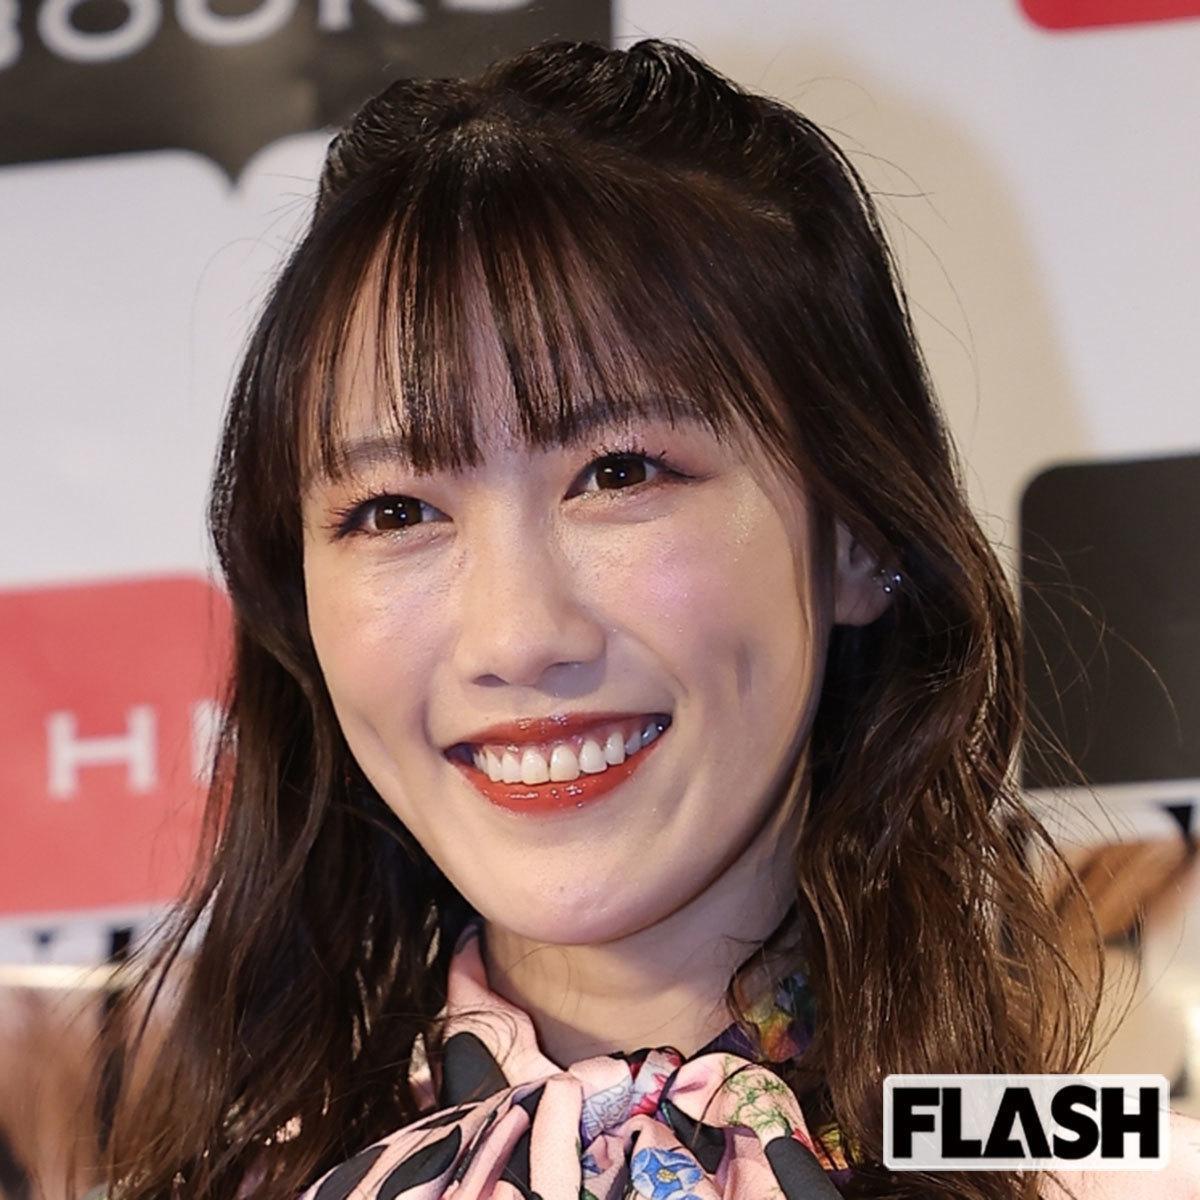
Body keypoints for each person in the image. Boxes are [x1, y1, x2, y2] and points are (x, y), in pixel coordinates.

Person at [96, 38, 1199, 1200]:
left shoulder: (1112, 1170)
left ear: (859, 535)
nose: (516, 637)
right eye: (396, 509)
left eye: (620, 473)